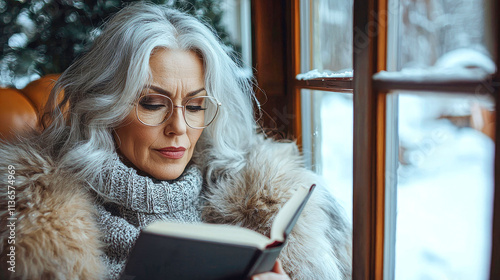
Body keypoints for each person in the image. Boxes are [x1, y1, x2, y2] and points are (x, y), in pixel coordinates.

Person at [0, 3, 351, 280]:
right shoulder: (23, 212)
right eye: (153, 104)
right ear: (104, 108)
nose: (179, 127)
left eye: (196, 106)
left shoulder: (274, 202)